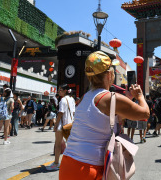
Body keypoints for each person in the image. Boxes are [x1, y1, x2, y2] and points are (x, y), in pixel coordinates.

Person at [59, 51, 149, 179]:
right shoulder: (111, 98)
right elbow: (145, 113)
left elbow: (102, 119)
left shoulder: (85, 97)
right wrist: (139, 96)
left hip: (68, 164)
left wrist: (127, 100)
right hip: (90, 168)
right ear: (109, 74)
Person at [46, 84, 76, 170]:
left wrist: (55, 125)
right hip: (69, 125)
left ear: (65, 90)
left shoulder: (62, 100)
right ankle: (72, 162)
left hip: (61, 125)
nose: (59, 91)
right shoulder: (72, 99)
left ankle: (56, 163)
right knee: (71, 145)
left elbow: (60, 113)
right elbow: (73, 113)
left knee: (57, 144)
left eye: (60, 90)